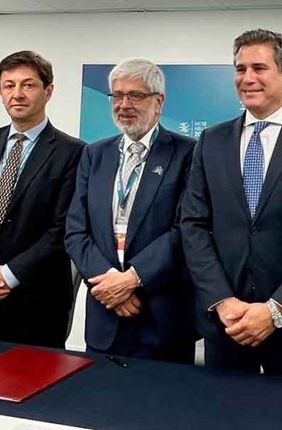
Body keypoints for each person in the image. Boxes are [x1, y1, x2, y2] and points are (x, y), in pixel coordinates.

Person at [180, 28, 282, 376]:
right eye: (240, 69)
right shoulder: (212, 141)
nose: (248, 78)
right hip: (228, 321)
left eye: (259, 68)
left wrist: (275, 310)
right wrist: (222, 300)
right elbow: (193, 224)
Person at [0, 51, 84, 348]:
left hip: (38, 303)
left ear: (48, 91)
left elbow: (63, 229)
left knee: (37, 389)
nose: (17, 94)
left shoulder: (74, 153)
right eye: (9, 86)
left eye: (28, 85)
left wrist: (10, 274)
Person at [65, 58, 197, 362]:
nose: (124, 104)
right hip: (104, 316)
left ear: (158, 101)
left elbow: (186, 230)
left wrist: (132, 279)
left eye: (135, 95)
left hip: (161, 319)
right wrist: (109, 281)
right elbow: (76, 231)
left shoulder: (187, 154)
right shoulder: (94, 154)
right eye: (117, 95)